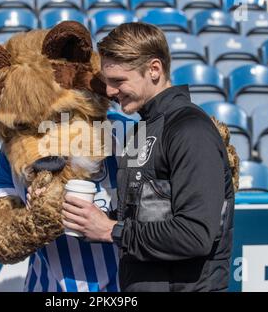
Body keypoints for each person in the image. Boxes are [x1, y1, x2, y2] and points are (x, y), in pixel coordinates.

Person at [62, 22, 236, 292]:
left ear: (154, 69)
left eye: (118, 81)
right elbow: (140, 216)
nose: (109, 92)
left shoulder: (191, 129)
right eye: (107, 82)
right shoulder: (139, 132)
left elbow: (196, 234)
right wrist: (89, 217)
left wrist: (111, 230)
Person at [0, 106, 134, 291]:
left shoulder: (126, 131)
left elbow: (165, 221)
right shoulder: (16, 147)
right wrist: (34, 220)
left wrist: (110, 229)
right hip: (47, 286)